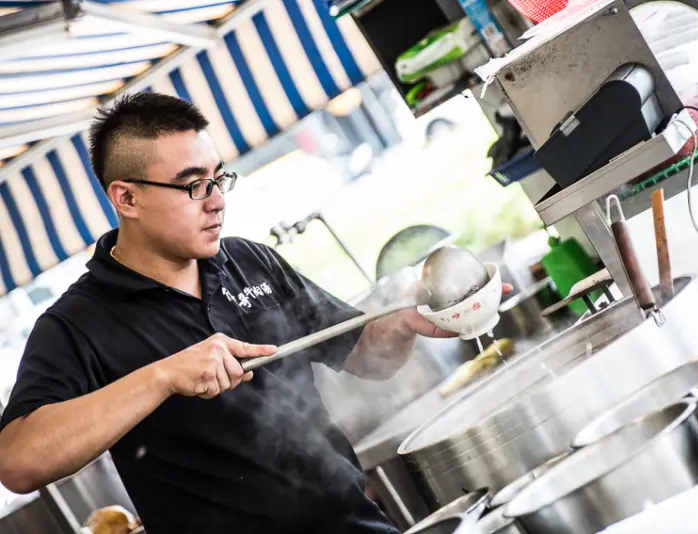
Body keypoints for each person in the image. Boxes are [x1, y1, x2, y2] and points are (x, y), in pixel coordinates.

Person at [0, 93, 510, 533]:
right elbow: (18, 462)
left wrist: (403, 321)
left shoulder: (249, 261)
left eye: (219, 178)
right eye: (193, 185)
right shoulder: (77, 324)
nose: (216, 201)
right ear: (127, 197)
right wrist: (162, 377)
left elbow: (364, 356)